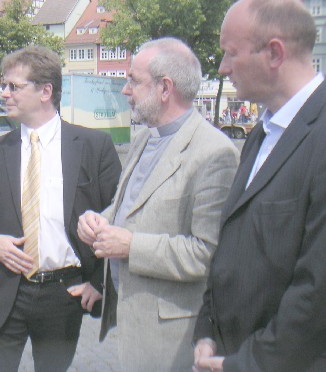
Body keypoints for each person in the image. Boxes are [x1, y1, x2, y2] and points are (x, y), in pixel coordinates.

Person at [77, 37, 239, 371]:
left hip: (172, 339)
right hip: (133, 323)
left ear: (165, 88)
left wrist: (131, 246)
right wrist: (98, 221)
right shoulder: (144, 139)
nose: (125, 90)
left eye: (133, 80)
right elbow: (129, 208)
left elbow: (207, 255)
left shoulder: (214, 153)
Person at [0, 45, 122, 372]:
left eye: (13, 87)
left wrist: (101, 284)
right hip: (5, 290)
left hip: (63, 295)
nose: (4, 93)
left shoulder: (93, 147)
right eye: (3, 85)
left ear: (45, 91)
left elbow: (119, 219)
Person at [193, 0, 326, 372]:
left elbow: (317, 289)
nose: (222, 67)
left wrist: (246, 364)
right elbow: (232, 248)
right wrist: (207, 331)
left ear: (274, 53)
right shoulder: (261, 134)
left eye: (231, 52)